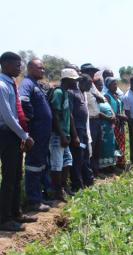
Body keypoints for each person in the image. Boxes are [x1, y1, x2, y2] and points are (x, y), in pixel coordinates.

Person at [0, 52, 36, 231]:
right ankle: (4, 218)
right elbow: (7, 116)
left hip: (12, 134)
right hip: (6, 134)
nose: (19, 68)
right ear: (5, 65)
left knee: (15, 175)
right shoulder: (1, 86)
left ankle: (15, 212)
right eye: (17, 65)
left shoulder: (10, 83)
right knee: (8, 177)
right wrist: (24, 136)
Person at [19, 59, 52, 212]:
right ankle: (33, 200)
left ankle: (40, 196)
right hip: (36, 132)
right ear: (31, 68)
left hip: (43, 133)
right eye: (40, 68)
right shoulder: (27, 83)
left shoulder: (36, 84)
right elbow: (23, 99)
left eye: (43, 68)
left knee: (41, 164)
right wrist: (30, 117)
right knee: (33, 165)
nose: (43, 70)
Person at [49, 68, 79, 201]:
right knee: (57, 164)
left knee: (67, 161)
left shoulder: (66, 93)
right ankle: (58, 192)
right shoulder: (59, 93)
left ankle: (64, 187)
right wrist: (61, 135)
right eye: (74, 80)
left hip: (64, 134)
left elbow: (69, 116)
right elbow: (54, 115)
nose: (76, 83)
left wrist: (72, 134)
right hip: (57, 135)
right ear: (67, 80)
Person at [69, 74, 94, 192]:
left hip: (83, 131)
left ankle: (87, 181)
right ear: (82, 82)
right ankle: (77, 185)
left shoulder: (82, 93)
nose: (90, 87)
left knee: (84, 156)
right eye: (89, 84)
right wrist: (75, 135)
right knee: (77, 158)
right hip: (77, 131)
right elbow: (70, 115)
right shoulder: (73, 93)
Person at [81, 63, 105, 177]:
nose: (93, 74)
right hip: (89, 120)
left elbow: (102, 98)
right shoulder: (81, 85)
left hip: (97, 119)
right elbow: (94, 99)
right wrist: (97, 97)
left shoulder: (92, 85)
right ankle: (89, 172)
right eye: (91, 72)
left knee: (97, 147)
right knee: (90, 147)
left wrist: (97, 97)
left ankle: (96, 171)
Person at [94, 78, 116, 172]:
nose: (100, 86)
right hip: (102, 124)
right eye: (98, 84)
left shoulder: (102, 96)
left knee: (110, 145)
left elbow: (110, 107)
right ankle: (103, 167)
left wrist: (113, 115)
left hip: (109, 125)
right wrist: (108, 118)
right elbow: (95, 111)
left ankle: (110, 164)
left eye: (101, 84)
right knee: (103, 146)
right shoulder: (93, 96)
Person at [104, 77, 127, 169]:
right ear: (108, 85)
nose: (116, 86)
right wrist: (120, 116)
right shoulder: (107, 96)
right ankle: (114, 162)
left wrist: (123, 115)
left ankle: (121, 162)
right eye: (113, 84)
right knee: (115, 143)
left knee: (121, 143)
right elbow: (109, 111)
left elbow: (121, 107)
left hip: (120, 124)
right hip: (114, 124)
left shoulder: (116, 95)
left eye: (116, 84)